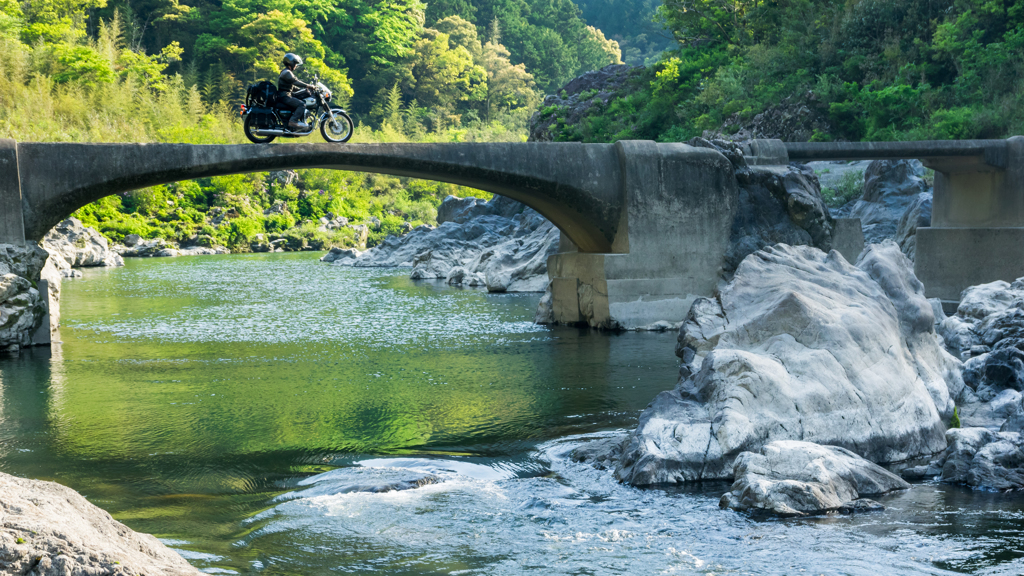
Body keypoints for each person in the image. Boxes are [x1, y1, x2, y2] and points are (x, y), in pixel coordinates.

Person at [278, 53, 315, 131]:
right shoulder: (287, 73)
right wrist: (309, 86)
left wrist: (301, 90)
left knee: (300, 101)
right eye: (295, 63)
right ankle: (293, 121)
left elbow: (291, 86)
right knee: (302, 104)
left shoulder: (286, 72)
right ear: (291, 62)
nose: (296, 65)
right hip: (285, 96)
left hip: (285, 95)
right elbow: (295, 81)